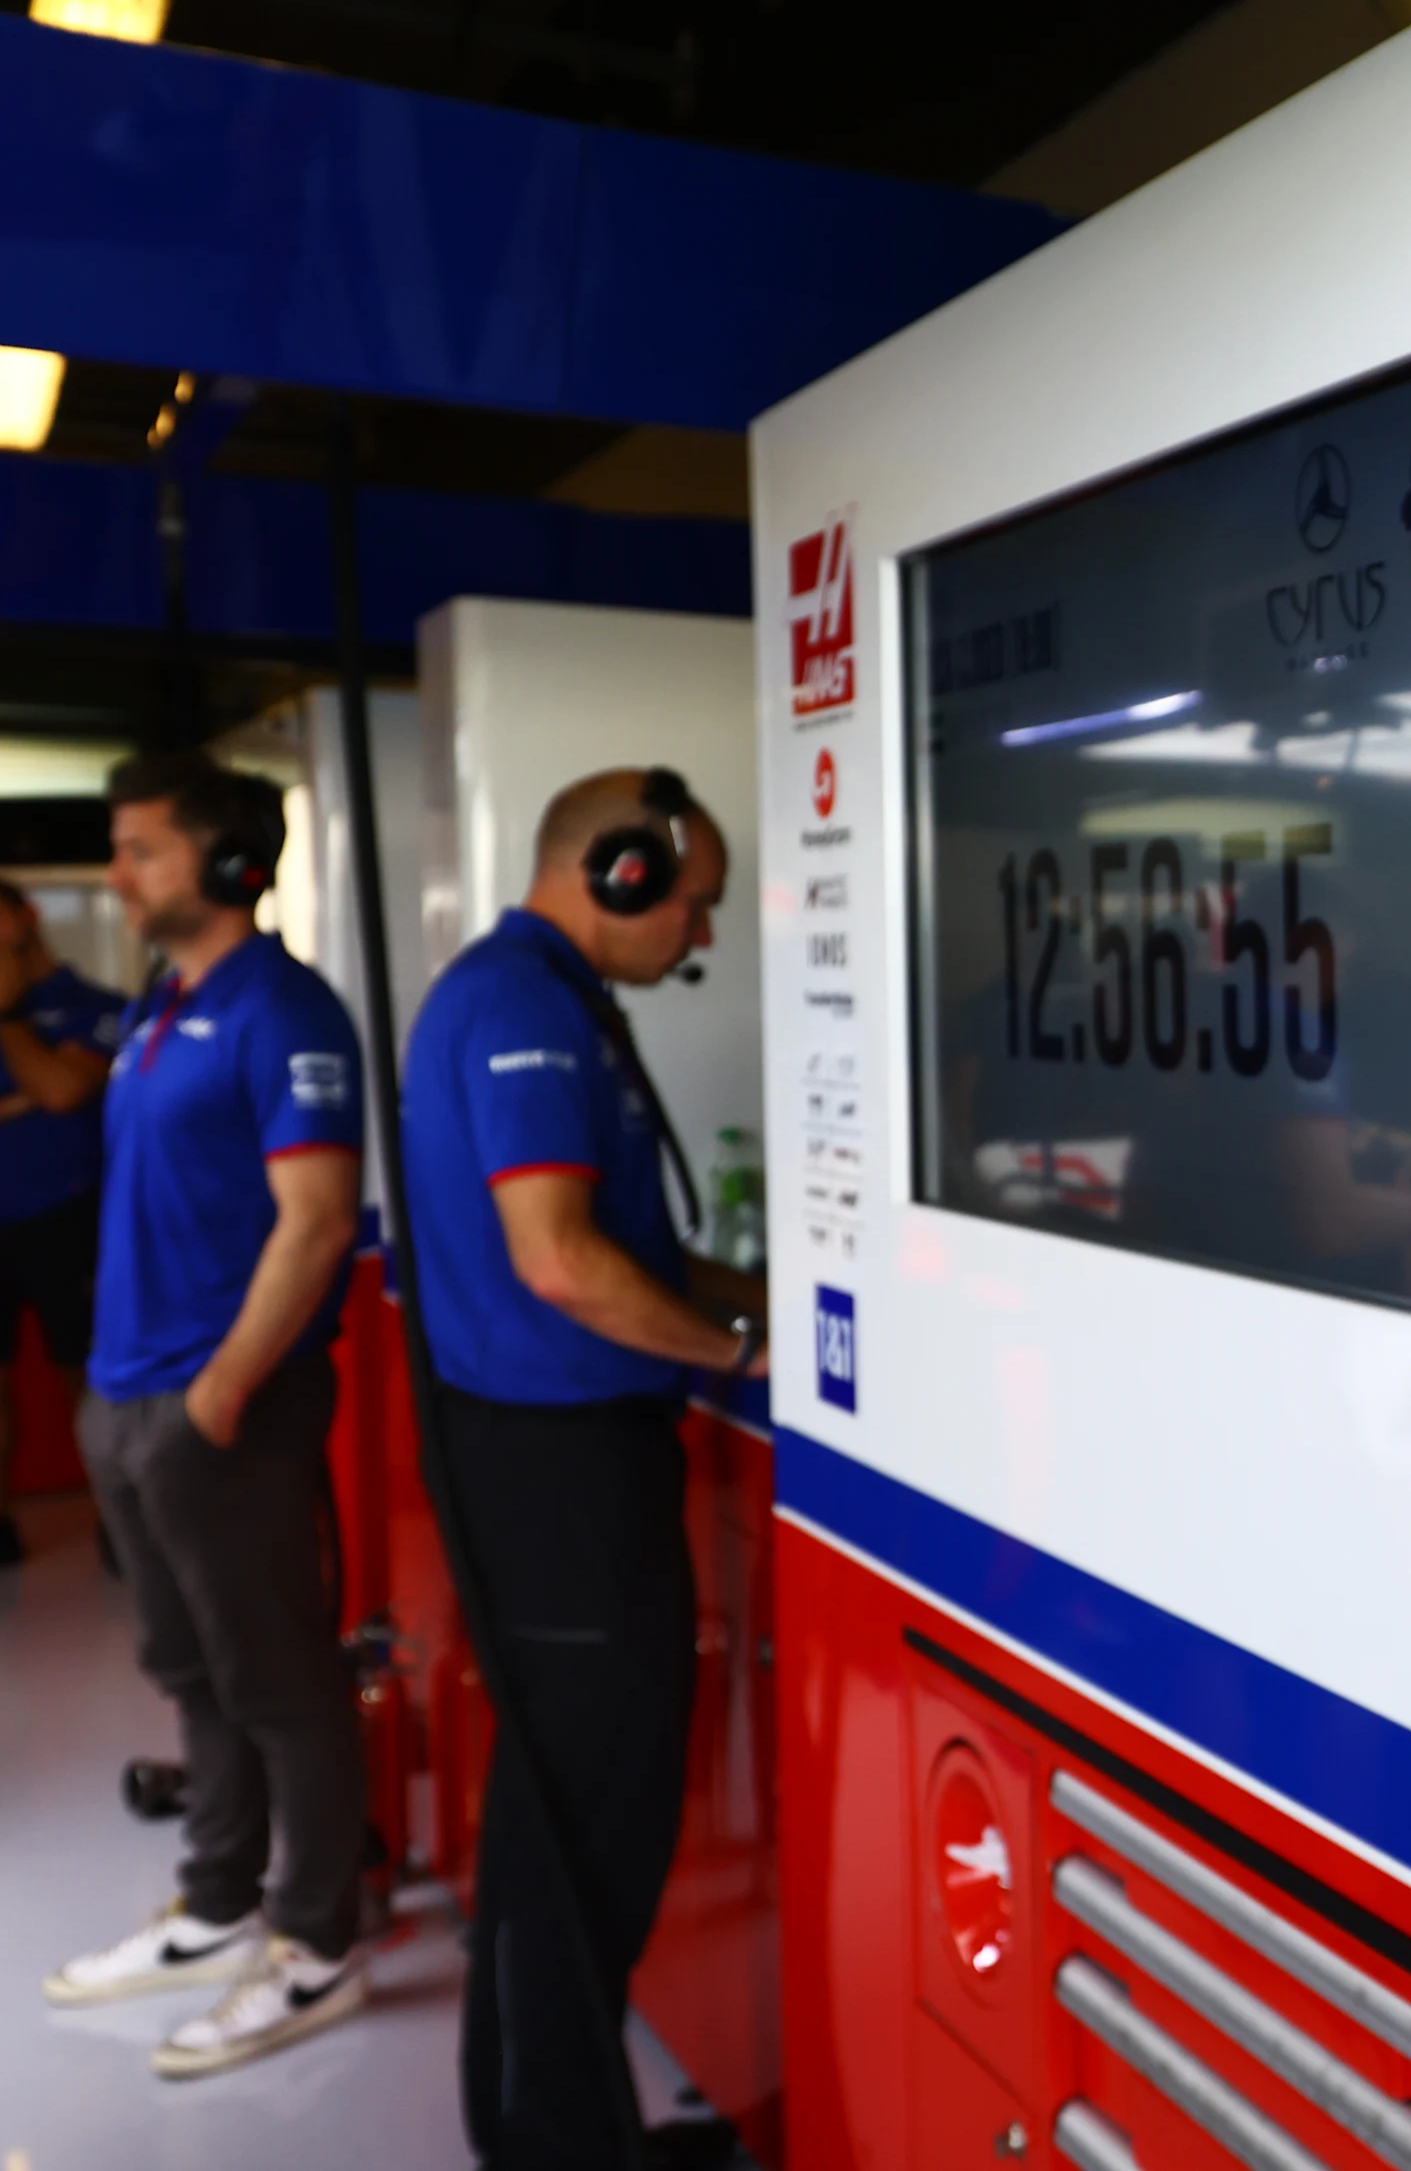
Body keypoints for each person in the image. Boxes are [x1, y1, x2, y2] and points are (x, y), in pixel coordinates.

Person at [399, 766, 763, 2169]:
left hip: (558, 1469)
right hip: (560, 1480)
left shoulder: (551, 1000)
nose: (705, 936)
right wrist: (731, 1356)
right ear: (619, 873)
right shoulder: (519, 1007)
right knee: (585, 1831)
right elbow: (563, 1263)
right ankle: (560, 2145)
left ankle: (548, 2131)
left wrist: (780, 1308)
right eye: (697, 902)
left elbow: (640, 1255)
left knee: (561, 1823)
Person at [43, 756, 373, 2077]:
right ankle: (223, 1902)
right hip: (127, 1396)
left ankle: (314, 1947)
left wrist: (223, 1387)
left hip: (217, 1404)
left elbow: (317, 1219)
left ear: (229, 862)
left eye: (140, 851)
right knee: (190, 1670)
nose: (116, 876)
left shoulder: (283, 1009)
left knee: (282, 1681)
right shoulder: (159, 1010)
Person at [0, 876, 126, 1567]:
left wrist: (8, 1014)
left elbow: (61, 1088)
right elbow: (44, 1093)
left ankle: (119, 1525)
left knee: (90, 1377)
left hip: (69, 1216)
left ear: (24, 917)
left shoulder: (94, 1005)